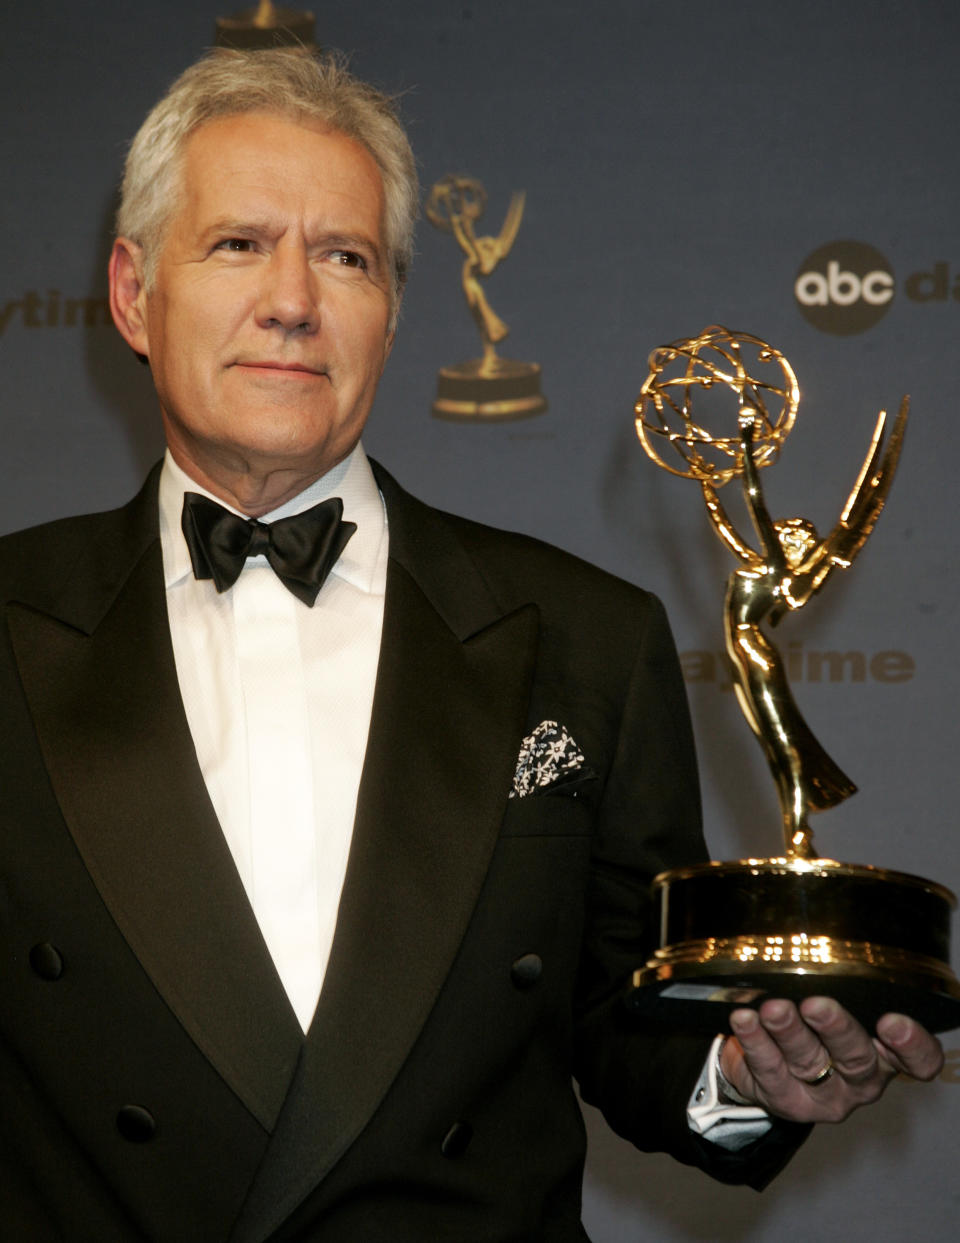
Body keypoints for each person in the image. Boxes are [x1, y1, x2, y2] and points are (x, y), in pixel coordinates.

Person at [0, 48, 942, 1242]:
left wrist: (751, 1078)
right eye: (239, 243)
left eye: (344, 257)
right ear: (135, 294)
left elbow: (628, 1014)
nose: (293, 299)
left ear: (391, 310)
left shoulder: (588, 638)